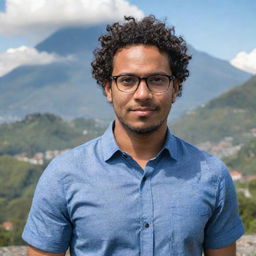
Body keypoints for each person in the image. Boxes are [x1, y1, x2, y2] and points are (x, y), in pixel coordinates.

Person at [22, 16, 245, 256]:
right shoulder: (63, 176)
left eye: (157, 80)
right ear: (108, 89)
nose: (142, 94)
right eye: (127, 80)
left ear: (175, 88)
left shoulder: (212, 175)